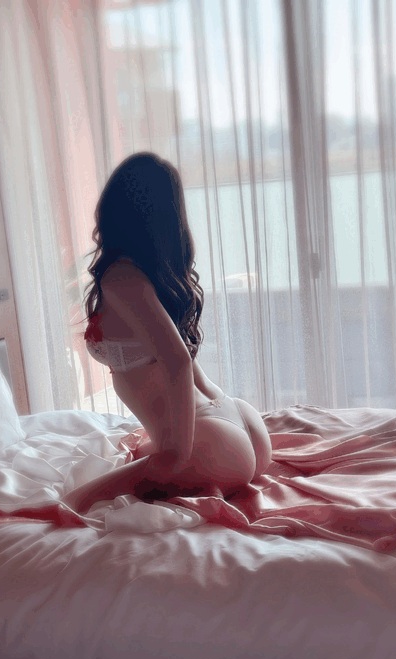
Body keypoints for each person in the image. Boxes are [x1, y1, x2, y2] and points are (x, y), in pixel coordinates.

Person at [62, 152, 272, 515]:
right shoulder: (155, 274)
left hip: (209, 441)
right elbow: (184, 360)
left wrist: (174, 455)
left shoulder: (121, 277)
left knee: (71, 505)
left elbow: (177, 361)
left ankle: (175, 452)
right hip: (236, 419)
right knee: (106, 481)